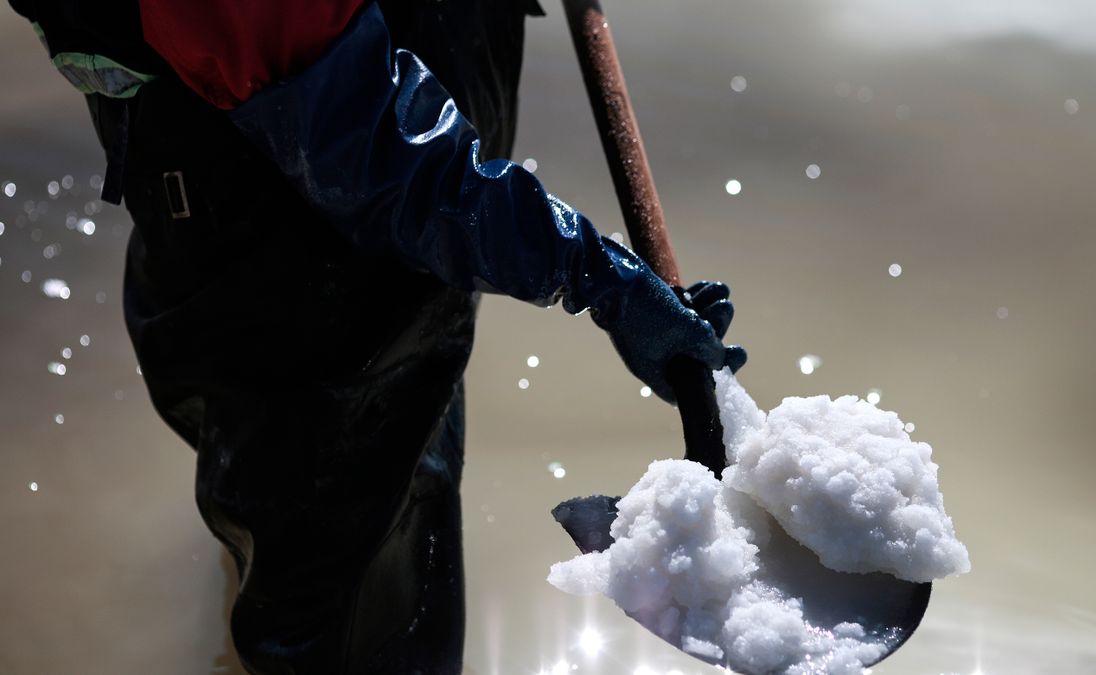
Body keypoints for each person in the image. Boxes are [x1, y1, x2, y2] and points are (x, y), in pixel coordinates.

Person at [7, 1, 746, 672]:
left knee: (382, 506)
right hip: (277, 224)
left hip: (401, 150)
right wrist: (589, 270)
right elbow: (360, 137)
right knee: (330, 596)